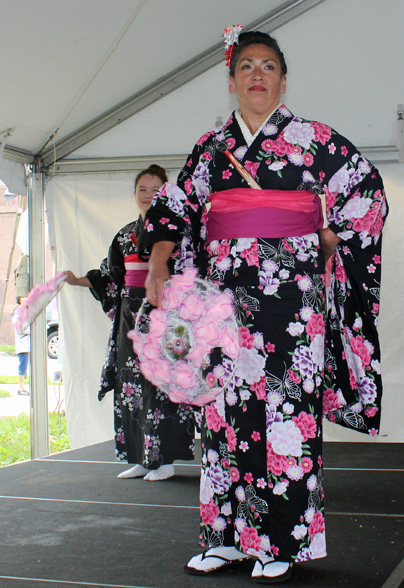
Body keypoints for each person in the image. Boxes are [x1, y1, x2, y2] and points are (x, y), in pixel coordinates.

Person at [140, 30, 388, 583]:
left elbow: (367, 190)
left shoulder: (315, 140)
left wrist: (330, 234)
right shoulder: (211, 148)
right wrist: (159, 263)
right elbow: (174, 209)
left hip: (292, 305)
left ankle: (281, 542)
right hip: (224, 302)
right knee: (223, 417)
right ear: (231, 82)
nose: (257, 74)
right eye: (246, 66)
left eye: (269, 66)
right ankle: (224, 538)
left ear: (282, 79)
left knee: (284, 419)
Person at [64, 165, 196, 481]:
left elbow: (193, 273)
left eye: (156, 190)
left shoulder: (179, 232)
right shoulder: (125, 235)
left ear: (167, 194)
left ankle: (163, 460)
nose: (148, 195)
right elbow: (110, 276)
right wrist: (77, 280)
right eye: (142, 189)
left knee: (161, 386)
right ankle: (139, 456)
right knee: (130, 384)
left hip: (167, 316)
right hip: (130, 317)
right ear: (134, 194)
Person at [13, 298, 30, 395]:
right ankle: (21, 388)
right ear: (19, 300)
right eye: (23, 297)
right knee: (23, 366)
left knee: (26, 366)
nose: (26, 299)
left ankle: (23, 387)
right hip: (23, 344)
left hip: (27, 343)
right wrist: (32, 330)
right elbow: (21, 328)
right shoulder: (17, 313)